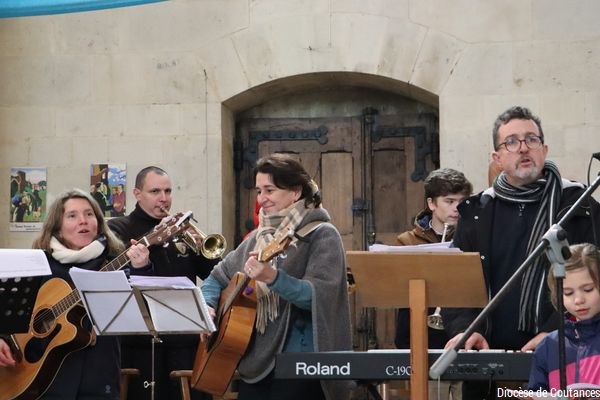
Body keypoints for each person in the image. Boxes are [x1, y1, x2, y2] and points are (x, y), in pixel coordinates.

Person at [442, 106, 600, 399]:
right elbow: (456, 285)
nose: (524, 147)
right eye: (512, 142)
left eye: (532, 139)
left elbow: (594, 284)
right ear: (497, 158)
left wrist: (556, 334)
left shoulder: (579, 206)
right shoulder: (476, 211)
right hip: (489, 363)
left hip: (562, 358)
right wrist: (467, 329)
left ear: (544, 149)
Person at [200, 153, 352, 400]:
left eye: (269, 190)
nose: (262, 199)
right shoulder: (258, 238)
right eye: (259, 191)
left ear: (295, 192)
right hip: (255, 364)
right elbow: (216, 278)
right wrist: (207, 307)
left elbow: (318, 296)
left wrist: (273, 278)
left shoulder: (322, 234)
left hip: (303, 365)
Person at [0, 188, 150, 399]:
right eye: (72, 215)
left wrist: (142, 268)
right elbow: (9, 312)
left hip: (98, 381)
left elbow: (144, 311)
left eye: (89, 214)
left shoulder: (115, 264)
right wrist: (2, 339)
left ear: (98, 223)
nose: (83, 221)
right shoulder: (38, 265)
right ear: (57, 227)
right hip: (38, 381)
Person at [108, 166, 219, 400]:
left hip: (185, 342)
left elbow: (213, 274)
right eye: (155, 191)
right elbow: (113, 277)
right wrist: (156, 236)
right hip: (138, 344)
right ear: (137, 194)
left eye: (168, 191)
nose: (164, 198)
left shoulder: (182, 229)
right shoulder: (119, 228)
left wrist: (202, 250)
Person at [395, 168, 472, 400]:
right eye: (449, 201)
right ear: (431, 203)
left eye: (462, 202)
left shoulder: (473, 237)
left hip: (463, 339)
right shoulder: (408, 242)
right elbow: (398, 292)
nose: (457, 208)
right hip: (422, 341)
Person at [528, 243, 600, 391]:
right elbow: (537, 391)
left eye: (588, 289)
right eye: (568, 293)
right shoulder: (548, 345)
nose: (578, 300)